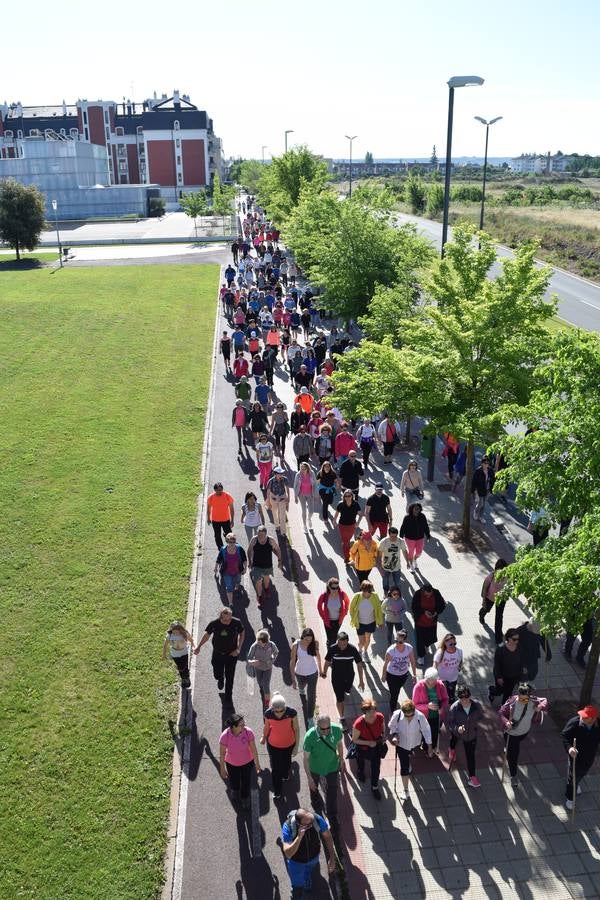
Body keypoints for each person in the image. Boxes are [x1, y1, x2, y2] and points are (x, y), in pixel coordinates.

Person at [499, 683, 548, 788]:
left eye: (524, 698)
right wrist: (507, 722)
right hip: (511, 734)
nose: (521, 700)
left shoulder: (532, 701)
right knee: (513, 755)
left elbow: (545, 701)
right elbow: (501, 713)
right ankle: (513, 775)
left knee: (512, 749)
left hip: (524, 732)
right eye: (520, 697)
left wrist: (540, 707)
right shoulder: (512, 702)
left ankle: (507, 750)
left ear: (529, 696)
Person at [281, 808, 336, 897]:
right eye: (308, 824)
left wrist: (332, 857)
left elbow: (328, 837)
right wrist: (299, 837)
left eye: (312, 821)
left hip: (313, 857)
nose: (311, 824)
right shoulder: (288, 827)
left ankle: (306, 879)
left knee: (308, 870)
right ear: (300, 824)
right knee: (297, 888)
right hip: (296, 863)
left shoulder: (316, 819)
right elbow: (288, 853)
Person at [388, 699, 433, 801]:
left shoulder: (420, 716)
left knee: (409, 754)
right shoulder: (397, 715)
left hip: (414, 743)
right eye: (406, 715)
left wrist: (429, 746)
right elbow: (391, 725)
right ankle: (406, 790)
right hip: (401, 745)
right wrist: (395, 735)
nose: (409, 717)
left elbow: (426, 730)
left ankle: (408, 762)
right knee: (404, 767)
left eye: (411, 715)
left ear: (414, 710)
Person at [303, 714, 345, 823]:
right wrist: (309, 779)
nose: (326, 731)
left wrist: (341, 759)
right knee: (314, 787)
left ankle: (332, 814)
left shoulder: (336, 730)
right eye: (323, 729)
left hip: (332, 767)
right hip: (315, 768)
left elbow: (340, 745)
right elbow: (306, 759)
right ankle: (315, 799)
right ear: (317, 726)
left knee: (333, 790)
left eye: (328, 728)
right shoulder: (309, 736)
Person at [195, 608, 245, 700]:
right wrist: (199, 647)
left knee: (230, 677)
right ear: (221, 616)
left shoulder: (236, 622)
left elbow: (242, 632)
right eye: (226, 620)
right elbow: (207, 635)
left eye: (230, 619)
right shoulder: (214, 624)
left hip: (231, 655)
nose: (228, 622)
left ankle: (228, 697)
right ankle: (220, 678)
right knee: (217, 673)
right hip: (217, 654)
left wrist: (238, 649)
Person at [261, 693, 299, 799]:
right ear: (272, 708)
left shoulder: (292, 713)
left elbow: (296, 729)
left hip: (289, 744)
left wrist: (296, 746)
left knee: (286, 763)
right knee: (275, 769)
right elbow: (267, 727)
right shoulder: (268, 714)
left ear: (285, 707)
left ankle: (286, 774)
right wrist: (264, 737)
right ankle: (277, 791)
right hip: (273, 745)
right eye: (276, 711)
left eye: (281, 710)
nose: (278, 713)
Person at [561, 705, 600, 810]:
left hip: (589, 756)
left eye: (585, 717)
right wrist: (569, 749)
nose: (581, 718)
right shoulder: (574, 722)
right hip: (575, 756)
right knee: (572, 777)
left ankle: (576, 783)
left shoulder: (598, 725)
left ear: (593, 719)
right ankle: (570, 798)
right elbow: (564, 736)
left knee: (582, 773)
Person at [219, 713, 261, 810]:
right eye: (241, 725)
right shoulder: (225, 735)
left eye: (244, 723)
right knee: (234, 781)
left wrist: (257, 764)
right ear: (234, 727)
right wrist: (222, 768)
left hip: (247, 763)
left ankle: (245, 797)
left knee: (246, 781)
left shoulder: (248, 732)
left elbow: (253, 749)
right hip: (232, 764)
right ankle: (235, 790)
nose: (244, 726)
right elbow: (222, 753)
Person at [323, 632, 365, 727]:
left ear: (348, 641)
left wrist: (361, 681)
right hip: (336, 677)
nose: (342, 646)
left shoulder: (353, 649)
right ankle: (342, 717)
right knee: (340, 698)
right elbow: (327, 661)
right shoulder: (333, 648)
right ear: (337, 641)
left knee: (347, 690)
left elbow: (359, 664)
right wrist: (324, 672)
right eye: (340, 644)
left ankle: (346, 690)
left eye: (345, 644)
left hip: (349, 676)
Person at [447, 685, 484, 787]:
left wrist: (473, 725)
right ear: (458, 698)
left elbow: (481, 716)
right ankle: (451, 749)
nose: (464, 701)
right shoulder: (454, 708)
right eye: (461, 699)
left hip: (471, 735)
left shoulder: (476, 705)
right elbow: (450, 723)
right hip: (458, 732)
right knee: (454, 740)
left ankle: (472, 777)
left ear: (470, 696)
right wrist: (457, 729)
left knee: (470, 755)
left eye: (466, 698)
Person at [351, 699, 386, 797]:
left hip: (376, 747)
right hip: (363, 748)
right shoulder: (358, 723)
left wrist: (383, 735)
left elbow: (383, 727)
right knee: (361, 761)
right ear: (364, 711)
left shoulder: (380, 717)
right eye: (369, 711)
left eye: (374, 710)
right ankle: (360, 771)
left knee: (376, 767)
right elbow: (354, 740)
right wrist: (368, 743)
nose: (372, 713)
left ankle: (374, 787)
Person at [290, 628, 324, 727]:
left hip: (312, 673)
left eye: (310, 639)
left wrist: (321, 670)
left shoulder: (315, 643)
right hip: (299, 673)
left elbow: (318, 656)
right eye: (306, 640)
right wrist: (293, 679)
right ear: (302, 637)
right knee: (301, 686)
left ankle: (309, 718)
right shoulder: (296, 645)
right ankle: (301, 690)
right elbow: (292, 661)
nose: (309, 642)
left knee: (311, 696)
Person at [413, 667, 449, 752]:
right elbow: (414, 704)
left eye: (434, 683)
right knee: (424, 732)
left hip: (437, 716)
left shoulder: (440, 685)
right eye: (429, 683)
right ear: (425, 679)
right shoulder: (418, 687)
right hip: (423, 717)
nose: (431, 685)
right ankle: (425, 747)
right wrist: (427, 706)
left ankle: (431, 748)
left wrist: (442, 708)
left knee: (434, 733)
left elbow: (446, 699)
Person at [381, 629, 416, 714]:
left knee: (397, 689)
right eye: (396, 640)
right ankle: (393, 712)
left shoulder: (409, 648)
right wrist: (383, 675)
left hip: (403, 675)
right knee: (394, 695)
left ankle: (394, 696)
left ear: (405, 641)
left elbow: (413, 662)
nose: (397, 643)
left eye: (400, 642)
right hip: (392, 675)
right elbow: (385, 664)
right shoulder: (391, 650)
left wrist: (414, 675)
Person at [412, 583, 446, 666]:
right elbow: (414, 607)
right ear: (423, 591)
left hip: (431, 622)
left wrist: (436, 612)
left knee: (429, 638)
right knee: (420, 641)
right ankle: (421, 656)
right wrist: (424, 612)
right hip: (420, 622)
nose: (428, 596)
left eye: (430, 594)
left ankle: (426, 645)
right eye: (427, 595)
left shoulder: (436, 593)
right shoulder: (417, 594)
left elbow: (442, 605)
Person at [248, 525, 283, 606]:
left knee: (266, 580)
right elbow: (249, 550)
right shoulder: (254, 539)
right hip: (256, 565)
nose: (260, 537)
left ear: (266, 534)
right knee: (258, 581)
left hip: (267, 565)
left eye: (262, 535)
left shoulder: (270, 540)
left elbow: (277, 549)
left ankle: (266, 589)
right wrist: (250, 561)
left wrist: (280, 560)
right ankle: (260, 596)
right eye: (259, 535)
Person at [349, 579, 384, 660]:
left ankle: (365, 652)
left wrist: (380, 622)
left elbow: (378, 609)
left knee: (368, 639)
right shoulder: (357, 596)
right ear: (363, 590)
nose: (370, 592)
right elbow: (351, 609)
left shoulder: (375, 596)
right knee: (362, 641)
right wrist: (354, 619)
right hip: (360, 623)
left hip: (371, 623)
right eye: (368, 591)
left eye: (371, 590)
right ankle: (360, 651)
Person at [490, 628, 526, 704]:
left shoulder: (520, 648)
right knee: (499, 691)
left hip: (513, 676)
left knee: (508, 694)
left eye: (518, 639)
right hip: (502, 676)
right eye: (514, 639)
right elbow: (497, 664)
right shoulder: (500, 650)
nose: (517, 641)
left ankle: (504, 710)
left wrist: (522, 673)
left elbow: (522, 661)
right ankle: (491, 691)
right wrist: (499, 677)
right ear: (508, 639)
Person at [247, 629, 279, 709]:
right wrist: (252, 662)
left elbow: (276, 652)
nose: (263, 645)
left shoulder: (271, 645)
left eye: (265, 643)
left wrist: (272, 660)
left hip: (268, 668)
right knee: (260, 682)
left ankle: (266, 703)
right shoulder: (254, 646)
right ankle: (262, 688)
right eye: (260, 643)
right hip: (258, 668)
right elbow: (249, 658)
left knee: (266, 684)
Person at [479, 558, 509, 644]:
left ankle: (498, 638)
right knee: (486, 609)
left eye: (504, 570)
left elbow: (509, 586)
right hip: (490, 598)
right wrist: (484, 601)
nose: (502, 572)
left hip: (501, 599)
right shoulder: (491, 576)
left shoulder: (507, 576)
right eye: (500, 569)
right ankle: (481, 614)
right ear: (496, 568)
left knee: (499, 617)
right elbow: (485, 588)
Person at [215, 532, 247, 606]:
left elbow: (244, 559)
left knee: (237, 582)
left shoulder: (239, 549)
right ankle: (230, 603)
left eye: (233, 542)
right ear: (227, 541)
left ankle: (236, 589)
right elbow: (219, 559)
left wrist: (245, 568)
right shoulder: (223, 550)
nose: (232, 543)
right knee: (229, 587)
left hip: (238, 571)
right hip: (227, 572)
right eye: (230, 542)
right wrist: (216, 568)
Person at [317, 577, 350, 647]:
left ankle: (331, 649)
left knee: (334, 637)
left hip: (338, 621)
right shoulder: (324, 595)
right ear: (329, 587)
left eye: (337, 587)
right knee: (329, 637)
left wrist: (345, 612)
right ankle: (329, 644)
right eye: (333, 588)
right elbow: (319, 606)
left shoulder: (342, 594)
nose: (336, 590)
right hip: (328, 621)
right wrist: (323, 616)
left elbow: (347, 601)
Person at [517, 618, 552, 683]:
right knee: (523, 676)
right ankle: (522, 685)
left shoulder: (539, 629)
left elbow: (544, 641)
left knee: (533, 673)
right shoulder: (520, 631)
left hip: (534, 656)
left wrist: (548, 654)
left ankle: (526, 682)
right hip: (523, 658)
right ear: (530, 626)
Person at [162, 620, 195, 689]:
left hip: (184, 652)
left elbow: (191, 639)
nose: (175, 632)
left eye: (177, 630)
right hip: (175, 654)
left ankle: (187, 678)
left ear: (180, 629)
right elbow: (165, 645)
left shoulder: (184, 634)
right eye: (174, 630)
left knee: (185, 666)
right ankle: (183, 679)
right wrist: (164, 654)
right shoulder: (170, 635)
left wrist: (193, 646)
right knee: (180, 667)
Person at [399, 502, 430, 573]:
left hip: (420, 538)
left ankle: (415, 560)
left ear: (420, 509)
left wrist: (428, 535)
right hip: (409, 538)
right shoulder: (407, 517)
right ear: (412, 509)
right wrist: (400, 537)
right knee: (411, 552)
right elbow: (403, 527)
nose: (417, 510)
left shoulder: (422, 516)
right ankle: (411, 566)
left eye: (418, 509)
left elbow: (425, 526)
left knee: (419, 552)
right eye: (415, 509)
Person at [334, 489, 363, 563]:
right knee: (345, 541)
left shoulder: (355, 504)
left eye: (349, 496)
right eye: (345, 496)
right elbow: (337, 513)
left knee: (347, 539)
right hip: (342, 525)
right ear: (344, 497)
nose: (347, 497)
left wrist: (358, 522)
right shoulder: (340, 504)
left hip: (352, 525)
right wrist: (334, 521)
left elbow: (360, 514)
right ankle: (347, 557)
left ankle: (346, 544)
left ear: (352, 496)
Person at [433, 633, 464, 703]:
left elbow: (461, 660)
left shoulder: (459, 651)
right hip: (442, 678)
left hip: (453, 678)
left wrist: (460, 667)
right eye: (451, 644)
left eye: (454, 643)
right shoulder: (440, 652)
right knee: (442, 693)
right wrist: (433, 675)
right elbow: (435, 664)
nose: (453, 646)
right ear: (445, 643)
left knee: (451, 693)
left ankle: (451, 704)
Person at [207, 483, 235, 549]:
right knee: (217, 536)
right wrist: (208, 518)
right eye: (218, 490)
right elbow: (208, 509)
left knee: (229, 535)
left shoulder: (227, 496)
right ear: (215, 490)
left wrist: (232, 520)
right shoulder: (211, 497)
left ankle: (232, 547)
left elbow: (231, 509)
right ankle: (221, 549)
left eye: (221, 490)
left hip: (226, 520)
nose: (220, 491)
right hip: (215, 521)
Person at [377, 527, 403, 593]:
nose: (394, 538)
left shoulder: (400, 541)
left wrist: (408, 562)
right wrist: (379, 565)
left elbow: (404, 551)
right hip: (385, 566)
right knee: (385, 581)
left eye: (395, 536)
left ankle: (396, 592)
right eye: (392, 536)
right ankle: (385, 591)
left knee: (397, 582)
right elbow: (379, 554)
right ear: (389, 534)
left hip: (397, 566)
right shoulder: (384, 542)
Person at [293, 462, 317, 532]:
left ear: (307, 468)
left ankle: (309, 519)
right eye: (301, 468)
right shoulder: (298, 475)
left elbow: (315, 484)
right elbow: (295, 486)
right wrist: (295, 497)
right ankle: (304, 526)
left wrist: (316, 495)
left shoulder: (312, 473)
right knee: (304, 511)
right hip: (301, 495)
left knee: (311, 511)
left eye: (304, 469)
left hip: (310, 494)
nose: (302, 470)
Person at [471, 455, 492, 521]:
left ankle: (480, 517)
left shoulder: (490, 471)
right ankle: (475, 512)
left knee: (484, 504)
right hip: (479, 490)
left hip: (487, 490)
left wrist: (491, 490)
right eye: (485, 463)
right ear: (482, 463)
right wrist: (473, 490)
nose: (487, 465)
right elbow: (474, 481)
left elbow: (493, 480)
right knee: (481, 503)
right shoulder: (478, 471)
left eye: (488, 463)